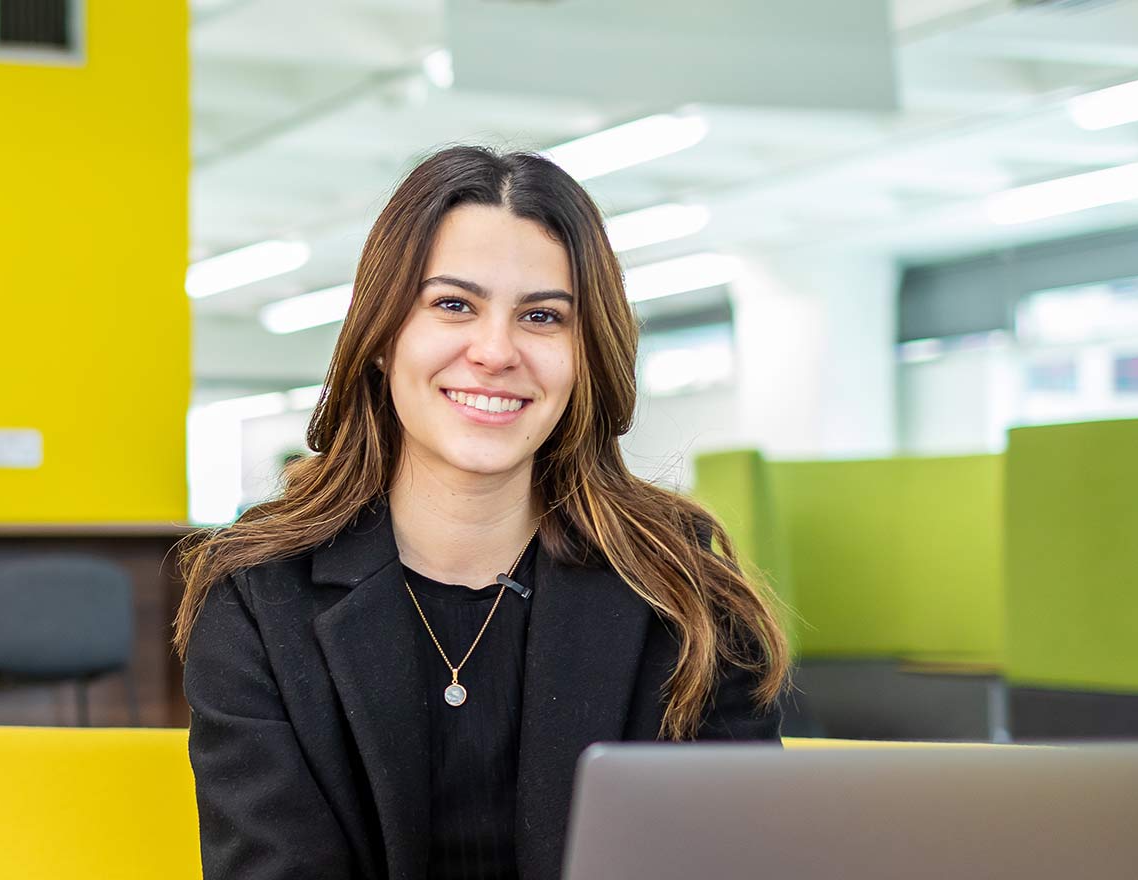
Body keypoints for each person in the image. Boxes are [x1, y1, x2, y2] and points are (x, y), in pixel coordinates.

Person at [175, 147, 790, 880]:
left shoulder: (682, 589)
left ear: (584, 353)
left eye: (542, 316)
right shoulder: (257, 597)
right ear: (382, 337)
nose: (496, 351)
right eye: (453, 304)